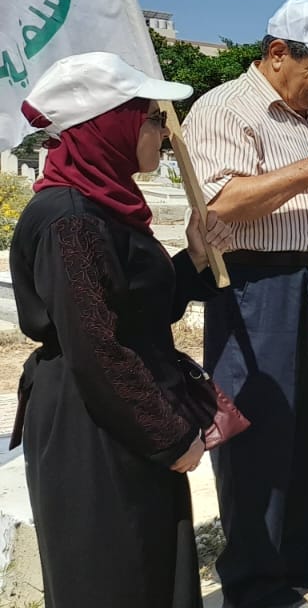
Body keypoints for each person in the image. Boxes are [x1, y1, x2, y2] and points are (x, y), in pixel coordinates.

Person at [10, 52, 232, 608]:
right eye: (153, 118)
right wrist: (169, 436)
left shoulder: (105, 205)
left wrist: (194, 260)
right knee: (112, 574)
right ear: (110, 125)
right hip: (94, 420)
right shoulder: (70, 218)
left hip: (123, 411)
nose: (164, 132)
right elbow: (96, 346)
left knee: (150, 566)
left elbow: (135, 312)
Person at [185, 0, 308, 608]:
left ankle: (306, 551)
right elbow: (222, 204)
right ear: (276, 54)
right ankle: (255, 576)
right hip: (256, 284)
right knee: (260, 427)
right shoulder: (225, 108)